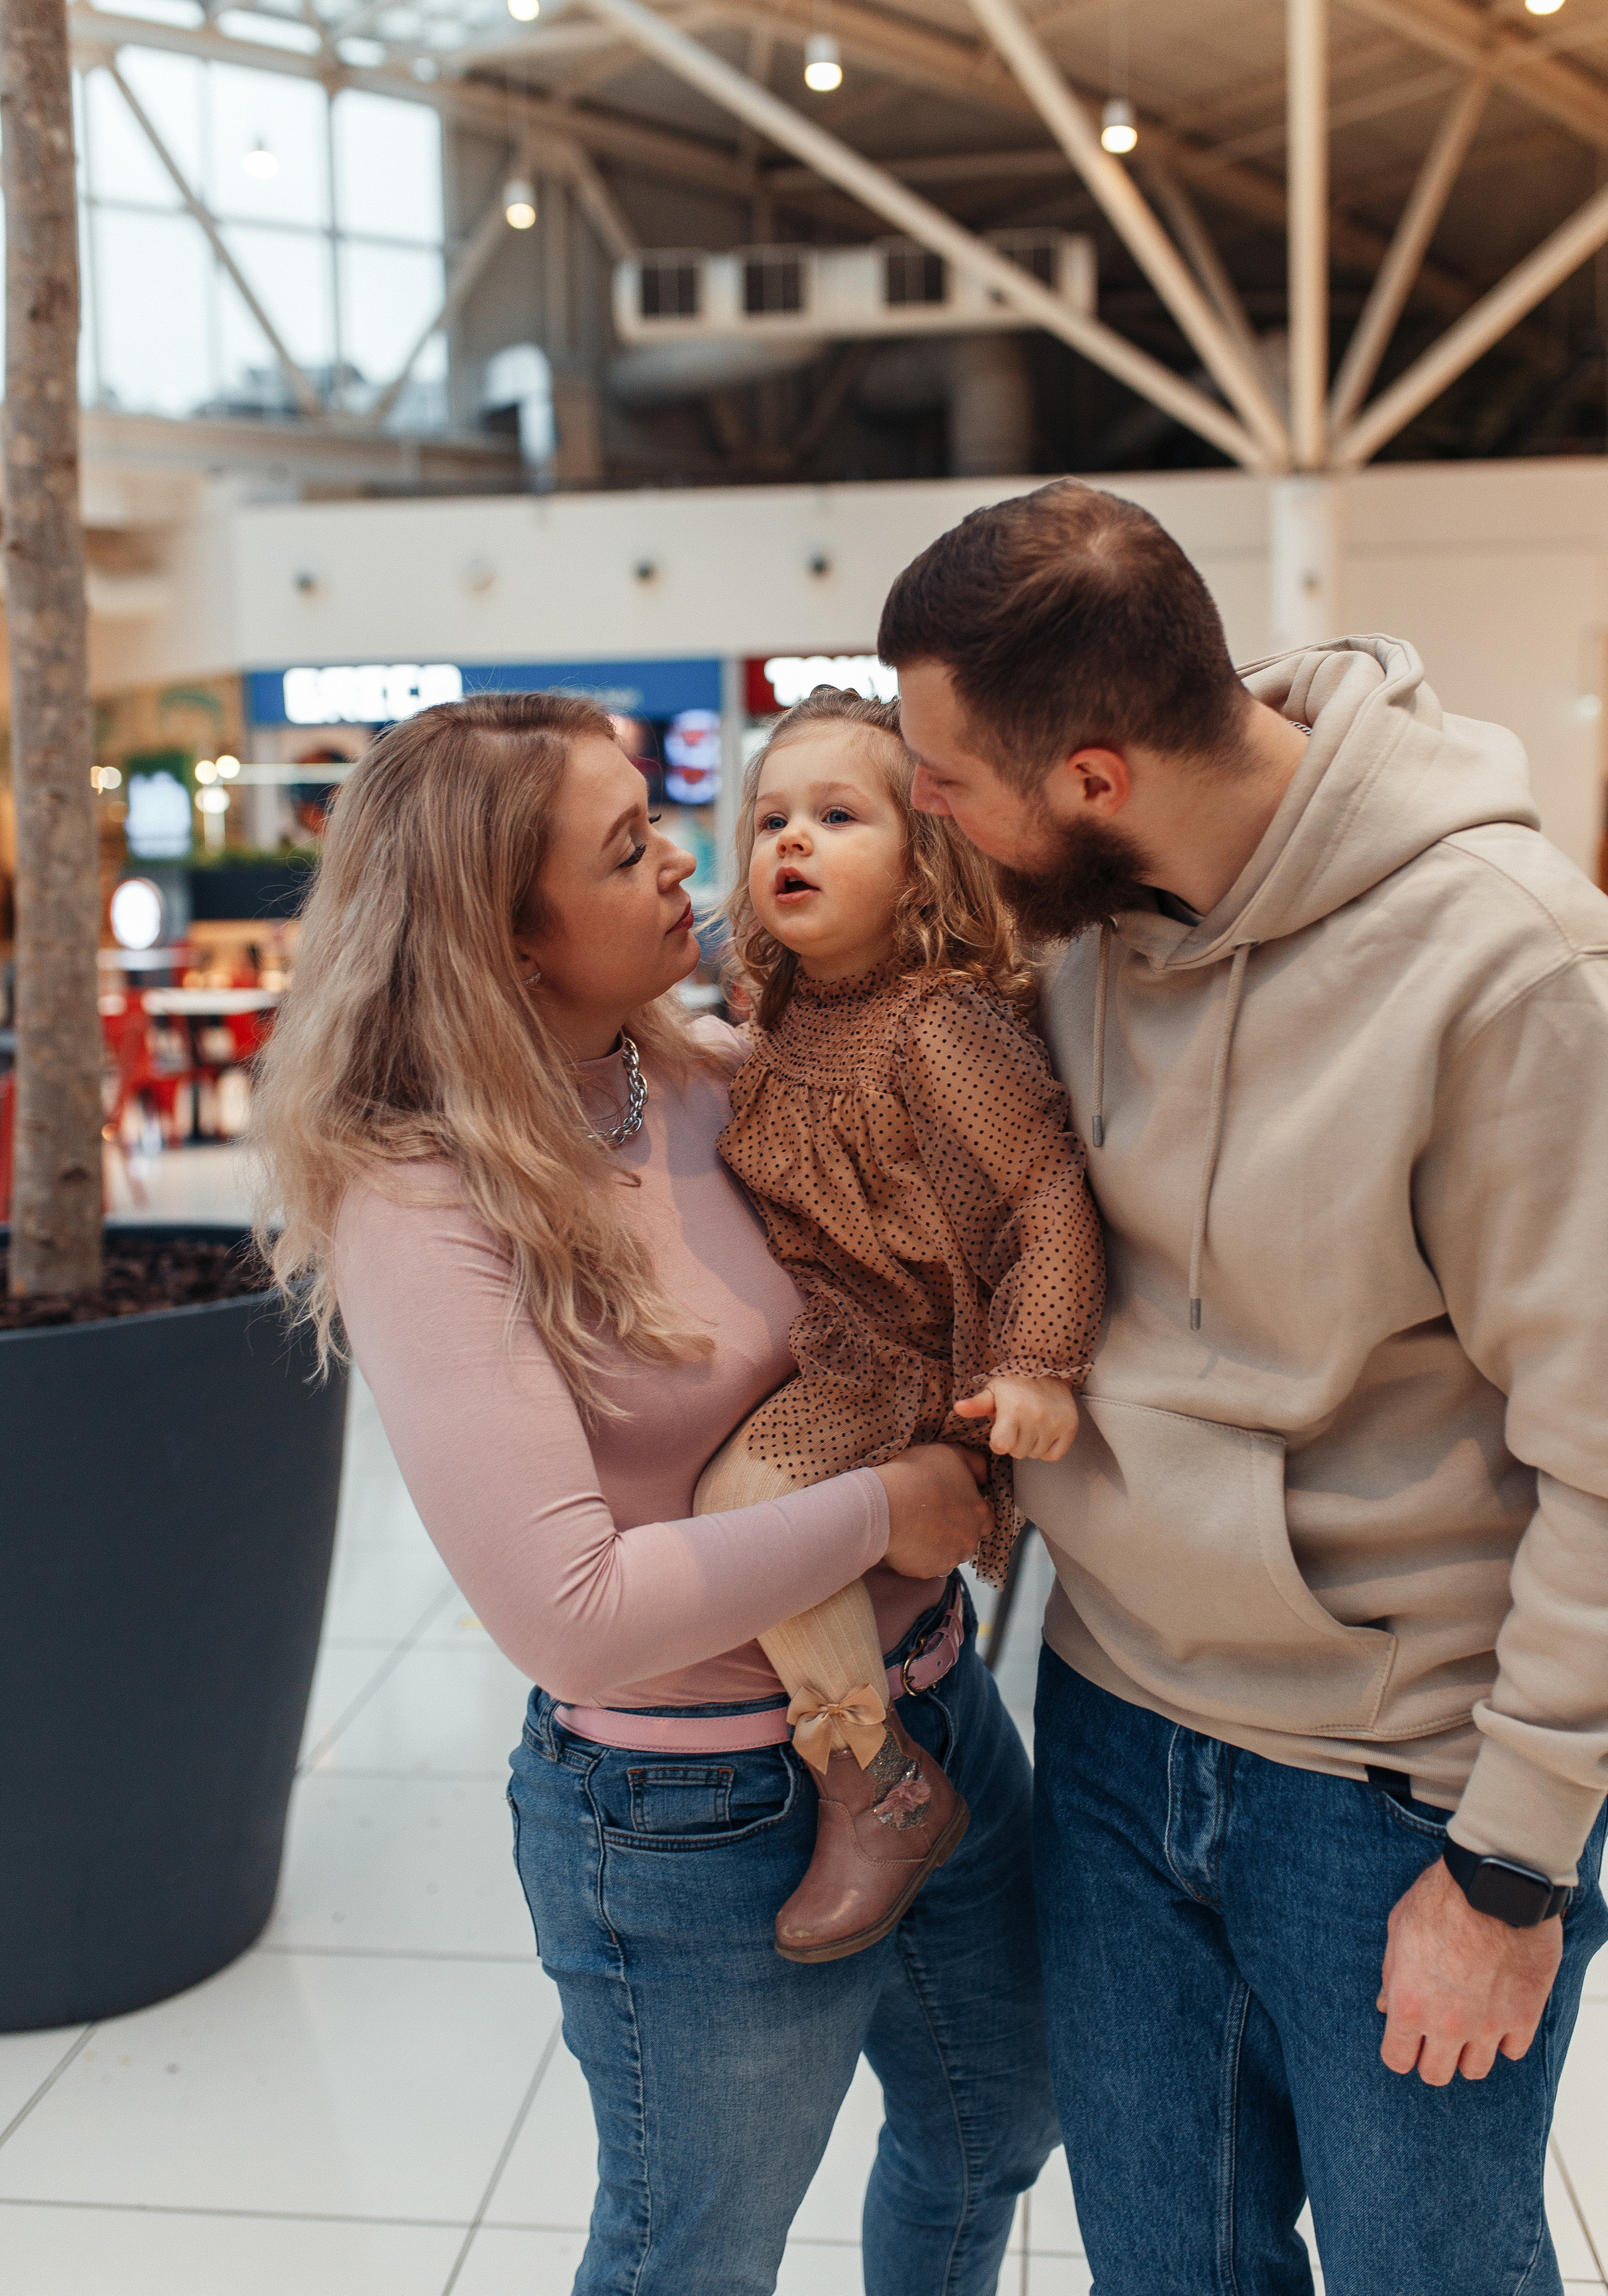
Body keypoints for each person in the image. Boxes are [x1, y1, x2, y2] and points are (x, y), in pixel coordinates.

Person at [881, 479, 1608, 2296]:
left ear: (1097, 776)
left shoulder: (1511, 968)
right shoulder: (1081, 921)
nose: (923, 812)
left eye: (948, 778)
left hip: (1394, 1781)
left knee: (1428, 2273)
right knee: (1168, 2274)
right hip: (1119, 1725)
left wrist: (1513, 1872)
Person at [250, 691, 1060, 2296]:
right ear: (509, 936)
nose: (692, 862)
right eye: (628, 851)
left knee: (994, 2133)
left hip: (939, 1715)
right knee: (697, 2250)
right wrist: (889, 1511)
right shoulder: (424, 1192)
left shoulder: (701, 1069)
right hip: (700, 1817)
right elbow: (572, 1618)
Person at [695, 687, 1103, 1963]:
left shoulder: (935, 1027)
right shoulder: (789, 1014)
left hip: (924, 1364)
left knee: (740, 1504)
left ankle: (871, 1777)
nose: (790, 846)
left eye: (834, 816)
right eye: (769, 821)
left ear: (921, 862)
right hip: (846, 1347)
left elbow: (1046, 1190)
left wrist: (1036, 1364)